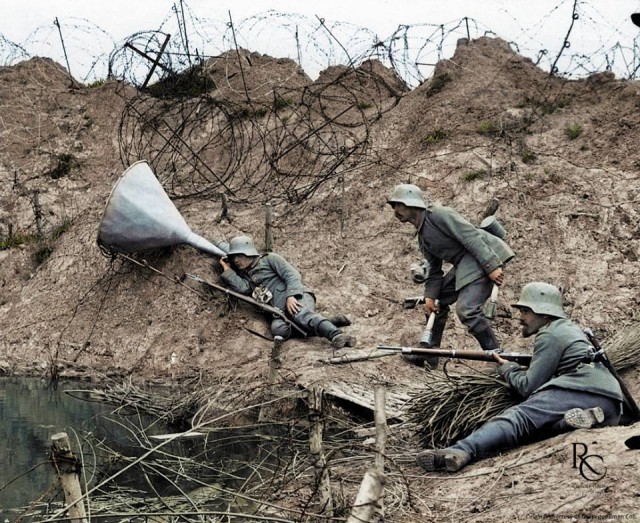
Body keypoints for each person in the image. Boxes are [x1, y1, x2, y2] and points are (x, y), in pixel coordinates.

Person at [416, 282, 624, 473]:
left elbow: (527, 387)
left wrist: (507, 369)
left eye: (526, 311)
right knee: (537, 430)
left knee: (518, 419)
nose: (520, 317)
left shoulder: (550, 333)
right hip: (611, 404)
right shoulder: (569, 329)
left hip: (582, 388)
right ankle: (571, 421)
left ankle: (460, 451)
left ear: (545, 314)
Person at [387, 184, 514, 364]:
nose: (396, 210)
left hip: (483, 255)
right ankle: (430, 354)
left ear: (413, 204)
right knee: (437, 302)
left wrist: (491, 265)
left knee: (467, 310)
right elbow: (434, 270)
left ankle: (498, 357)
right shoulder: (422, 236)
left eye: (399, 205)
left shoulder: (439, 214)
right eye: (393, 206)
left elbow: (470, 236)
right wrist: (430, 297)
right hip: (465, 263)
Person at [219, 235, 356, 349]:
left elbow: (292, 275)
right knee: (279, 330)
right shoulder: (245, 274)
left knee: (301, 315)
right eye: (233, 257)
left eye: (239, 255)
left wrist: (291, 296)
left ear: (249, 252)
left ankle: (336, 335)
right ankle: (328, 320)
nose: (236, 260)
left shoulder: (270, 259)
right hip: (280, 311)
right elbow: (243, 289)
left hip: (297, 298)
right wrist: (227, 269)